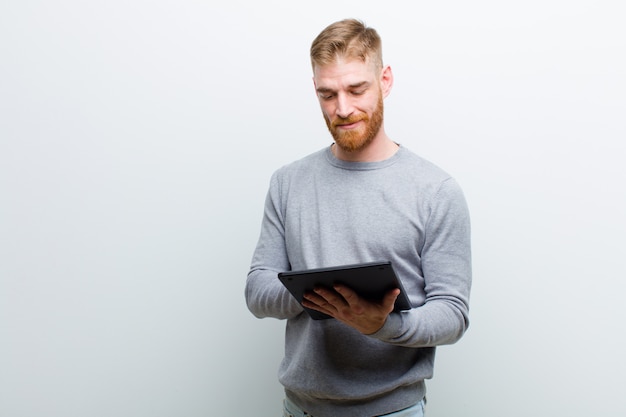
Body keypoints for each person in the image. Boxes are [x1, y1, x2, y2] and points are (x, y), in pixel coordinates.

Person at [245, 18, 472, 417]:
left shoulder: (436, 191)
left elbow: (452, 313)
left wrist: (381, 325)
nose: (342, 109)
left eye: (356, 89)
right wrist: (316, 291)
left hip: (393, 411)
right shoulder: (287, 183)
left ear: (385, 80)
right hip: (301, 409)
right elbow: (257, 290)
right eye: (327, 94)